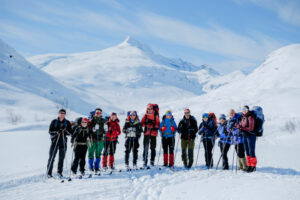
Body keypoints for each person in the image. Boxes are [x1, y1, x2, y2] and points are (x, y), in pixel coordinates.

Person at [47, 109, 72, 178]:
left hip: (63, 142)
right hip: (55, 142)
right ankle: (49, 173)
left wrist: (65, 130)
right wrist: (56, 132)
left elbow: (70, 133)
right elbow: (50, 131)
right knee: (51, 157)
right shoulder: (54, 121)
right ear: (58, 114)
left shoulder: (67, 122)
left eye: (64, 113)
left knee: (61, 158)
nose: (62, 114)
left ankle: (59, 172)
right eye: (61, 113)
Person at [238, 105, 257, 173]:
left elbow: (251, 128)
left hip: (251, 136)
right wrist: (239, 127)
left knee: (251, 151)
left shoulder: (250, 117)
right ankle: (249, 165)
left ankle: (253, 166)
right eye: (243, 109)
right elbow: (242, 126)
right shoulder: (243, 117)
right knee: (247, 151)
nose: (244, 110)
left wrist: (242, 129)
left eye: (245, 109)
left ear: (248, 110)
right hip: (245, 136)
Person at [141, 104, 160, 168]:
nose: (149, 110)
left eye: (151, 109)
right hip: (146, 133)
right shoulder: (145, 116)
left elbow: (158, 125)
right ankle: (145, 160)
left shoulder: (156, 116)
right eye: (148, 109)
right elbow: (142, 124)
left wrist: (153, 126)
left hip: (153, 134)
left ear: (153, 109)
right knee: (145, 147)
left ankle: (152, 161)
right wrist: (146, 124)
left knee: (153, 147)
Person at [89, 108, 107, 174]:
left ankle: (97, 167)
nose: (98, 114)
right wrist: (92, 129)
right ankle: (91, 167)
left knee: (98, 153)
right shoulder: (91, 120)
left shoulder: (103, 120)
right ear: (95, 113)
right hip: (92, 139)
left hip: (100, 139)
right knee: (91, 153)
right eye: (97, 112)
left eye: (99, 112)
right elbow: (88, 128)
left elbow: (107, 127)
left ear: (101, 113)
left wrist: (106, 130)